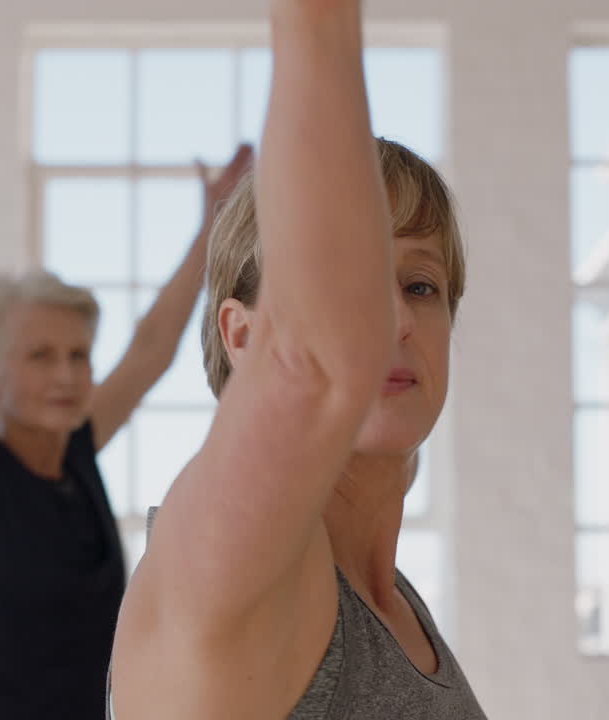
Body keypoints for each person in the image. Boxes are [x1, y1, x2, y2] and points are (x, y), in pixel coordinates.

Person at [109, 1, 486, 717]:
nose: (396, 318)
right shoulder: (234, 569)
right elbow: (316, 368)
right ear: (243, 336)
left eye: (420, 285)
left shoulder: (397, 610)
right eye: (359, 284)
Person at [0, 1, 253, 716]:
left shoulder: (77, 449)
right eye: (41, 355)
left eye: (79, 354)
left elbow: (151, 347)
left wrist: (211, 227)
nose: (68, 373)